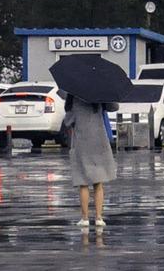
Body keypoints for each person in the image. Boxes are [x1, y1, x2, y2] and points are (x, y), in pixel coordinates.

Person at [64, 95, 117, 228]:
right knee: (98, 182)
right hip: (99, 141)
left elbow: (68, 120)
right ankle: (99, 218)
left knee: (83, 182)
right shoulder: (98, 94)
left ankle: (85, 218)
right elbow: (114, 107)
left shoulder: (74, 95)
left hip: (82, 141)